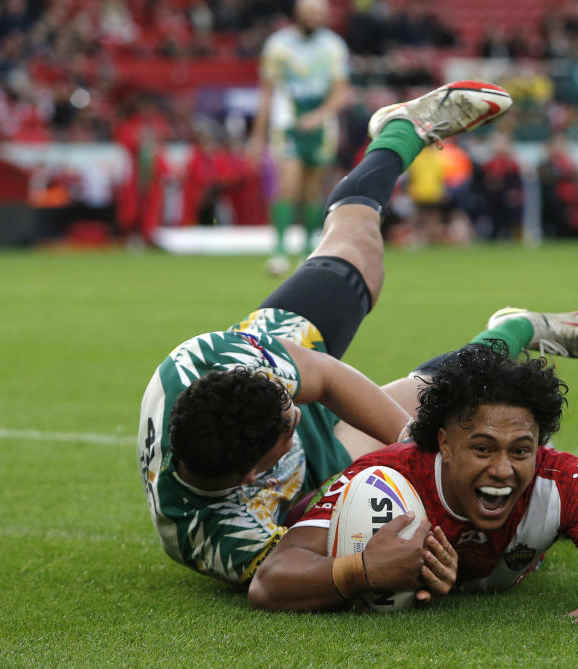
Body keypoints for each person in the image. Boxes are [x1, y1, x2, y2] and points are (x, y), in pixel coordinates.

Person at [138, 80, 515, 584]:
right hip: (306, 482)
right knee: (440, 401)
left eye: (286, 402)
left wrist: (414, 450)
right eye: (289, 422)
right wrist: (364, 567)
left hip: (274, 354)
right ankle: (514, 329)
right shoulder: (215, 538)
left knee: (359, 255)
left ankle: (401, 131)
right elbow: (281, 579)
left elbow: (327, 378)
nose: (297, 410)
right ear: (255, 474)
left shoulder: (207, 362)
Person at [248, 342, 578, 623]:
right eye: (482, 448)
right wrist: (364, 571)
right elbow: (269, 582)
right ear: (444, 443)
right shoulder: (384, 477)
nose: (503, 469)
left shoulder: (558, 477)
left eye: (520, 450)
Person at [249, 0, 350, 275]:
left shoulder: (334, 46)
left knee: (313, 189)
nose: (314, 18)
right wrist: (258, 136)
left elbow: (340, 91)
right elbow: (267, 91)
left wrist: (319, 116)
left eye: (318, 13)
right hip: (288, 121)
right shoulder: (278, 45)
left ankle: (310, 250)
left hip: (321, 123)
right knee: (287, 186)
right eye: (309, 13)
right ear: (298, 14)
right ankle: (279, 250)